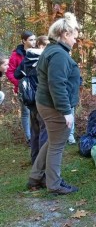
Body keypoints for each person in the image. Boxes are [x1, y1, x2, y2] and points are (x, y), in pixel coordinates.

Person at [27, 12, 81, 194]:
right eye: (74, 36)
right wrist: (66, 111)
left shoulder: (52, 50)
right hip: (54, 107)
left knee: (52, 141)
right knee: (57, 145)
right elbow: (57, 84)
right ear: (65, 34)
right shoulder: (58, 54)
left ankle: (36, 177)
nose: (75, 40)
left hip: (46, 104)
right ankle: (54, 184)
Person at [15, 36, 49, 164]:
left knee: (35, 131)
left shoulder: (27, 58)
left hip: (30, 100)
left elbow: (17, 74)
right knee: (44, 130)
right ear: (42, 46)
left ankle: (35, 158)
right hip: (42, 98)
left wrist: (27, 74)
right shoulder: (44, 59)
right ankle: (42, 161)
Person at [6, 31, 36, 144]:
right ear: (24, 41)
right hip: (23, 89)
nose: (33, 42)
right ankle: (29, 137)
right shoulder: (16, 54)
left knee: (36, 111)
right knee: (26, 112)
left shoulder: (37, 52)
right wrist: (19, 84)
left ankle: (35, 135)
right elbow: (9, 72)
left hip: (36, 87)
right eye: (31, 40)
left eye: (34, 39)